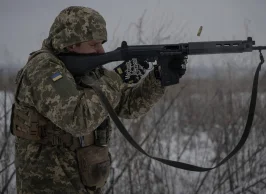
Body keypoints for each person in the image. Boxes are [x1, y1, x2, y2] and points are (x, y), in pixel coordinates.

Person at [10, 6, 186, 194]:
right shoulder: (43, 68)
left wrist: (159, 77)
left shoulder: (88, 70)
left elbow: (127, 106)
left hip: (84, 182)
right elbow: (78, 119)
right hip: (48, 185)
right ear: (71, 43)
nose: (101, 50)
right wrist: (118, 77)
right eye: (94, 44)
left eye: (101, 43)